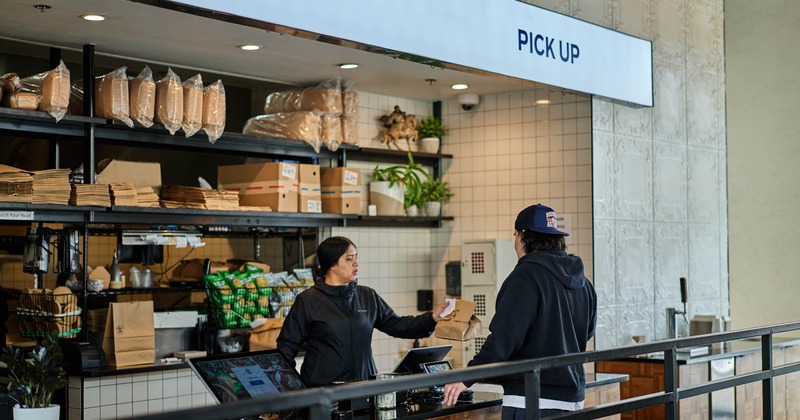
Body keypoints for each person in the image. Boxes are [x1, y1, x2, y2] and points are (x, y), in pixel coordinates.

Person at [443, 204, 597, 418]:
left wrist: (466, 377)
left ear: (523, 236)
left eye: (515, 235)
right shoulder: (583, 282)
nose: (514, 242)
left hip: (531, 400)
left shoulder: (525, 277)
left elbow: (504, 340)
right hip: (573, 397)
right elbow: (587, 331)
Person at [277, 236, 448, 387]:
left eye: (356, 257)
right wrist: (296, 387)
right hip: (324, 395)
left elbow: (397, 325)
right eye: (349, 259)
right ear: (332, 264)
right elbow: (286, 347)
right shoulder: (308, 300)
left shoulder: (367, 295)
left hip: (365, 388)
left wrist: (432, 317)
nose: (356, 263)